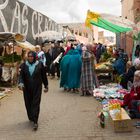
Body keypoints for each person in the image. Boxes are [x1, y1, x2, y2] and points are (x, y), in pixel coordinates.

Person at [18, 51, 48, 131]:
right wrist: (21, 83)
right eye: (29, 56)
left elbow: (44, 76)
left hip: (37, 87)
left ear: (34, 57)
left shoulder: (40, 64)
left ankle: (35, 121)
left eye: (32, 56)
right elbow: (21, 76)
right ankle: (31, 116)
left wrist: (46, 85)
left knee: (36, 103)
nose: (30, 58)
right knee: (28, 103)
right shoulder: (24, 65)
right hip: (27, 88)